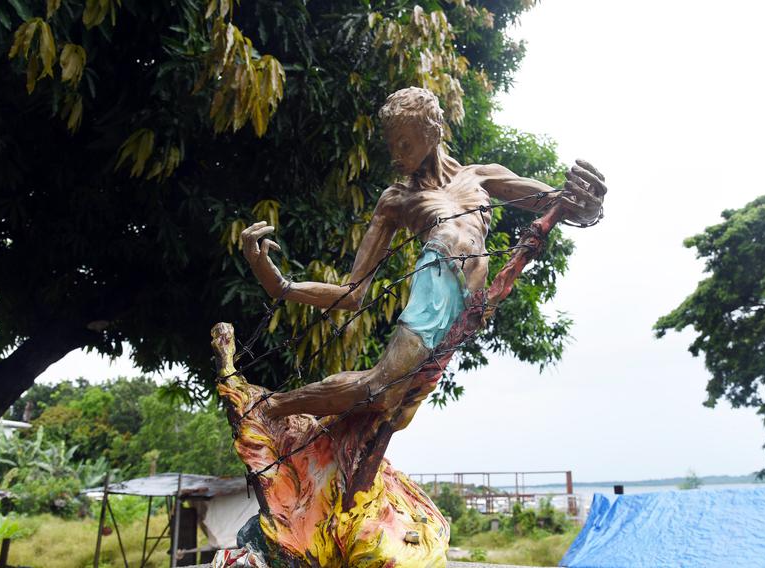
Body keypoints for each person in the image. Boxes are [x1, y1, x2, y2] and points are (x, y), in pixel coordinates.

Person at [240, 86, 605, 421]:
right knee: (382, 390)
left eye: (405, 145)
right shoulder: (396, 200)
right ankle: (275, 407)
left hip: (472, 303)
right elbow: (354, 294)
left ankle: (306, 432)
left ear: (431, 134)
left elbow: (563, 204)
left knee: (396, 414)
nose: (396, 157)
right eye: (391, 146)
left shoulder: (480, 176)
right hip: (436, 283)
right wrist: (282, 286)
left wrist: (589, 206)